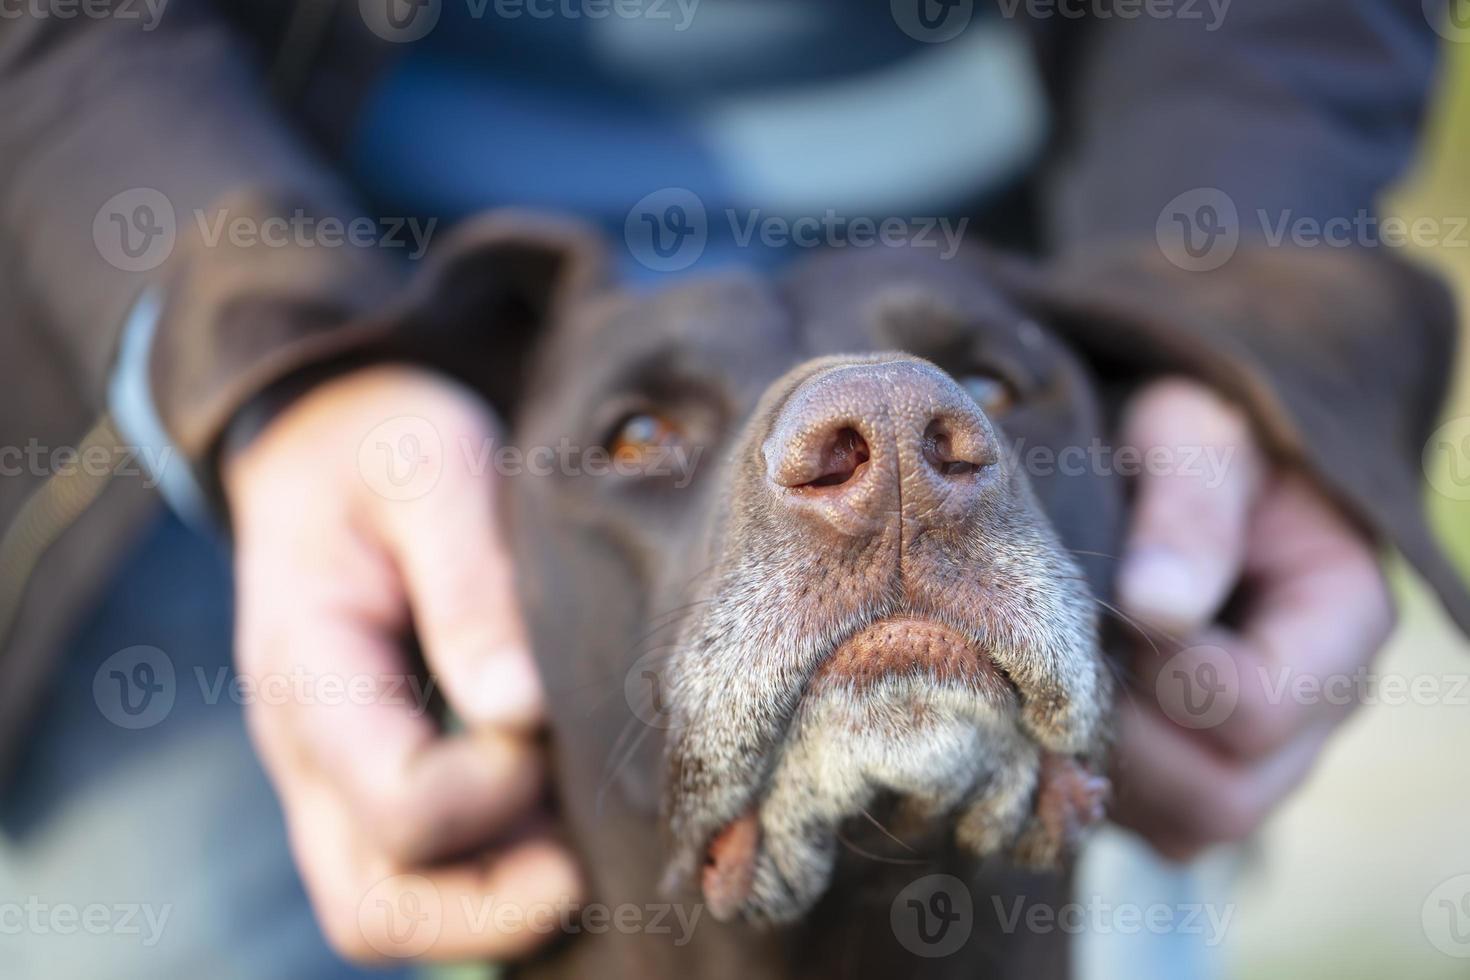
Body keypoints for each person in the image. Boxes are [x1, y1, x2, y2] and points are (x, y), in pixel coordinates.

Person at [0, 0, 1459, 974]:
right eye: (642, 439)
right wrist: (267, 350)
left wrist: (1223, 314)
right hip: (301, 304)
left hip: (1047, 215)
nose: (887, 440)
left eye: (979, 407)